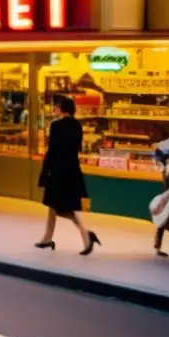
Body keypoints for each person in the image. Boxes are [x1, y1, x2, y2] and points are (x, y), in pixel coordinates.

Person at [36, 97, 100, 255]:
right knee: (55, 205)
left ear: (61, 108)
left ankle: (86, 234)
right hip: (72, 170)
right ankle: (47, 238)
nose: (54, 110)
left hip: (58, 171)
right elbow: (77, 147)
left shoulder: (56, 125)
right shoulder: (78, 126)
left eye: (56, 107)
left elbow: (52, 151)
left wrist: (44, 173)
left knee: (62, 207)